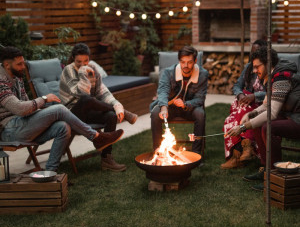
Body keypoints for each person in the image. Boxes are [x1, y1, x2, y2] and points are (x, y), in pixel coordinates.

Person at [0, 46, 123, 172]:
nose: (23, 67)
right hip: (10, 130)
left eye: (23, 63)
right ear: (7, 65)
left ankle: (50, 173)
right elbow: (19, 108)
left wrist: (42, 114)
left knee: (63, 127)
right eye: (19, 64)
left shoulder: (17, 77)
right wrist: (44, 99)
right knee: (59, 109)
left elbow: (26, 104)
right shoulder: (1, 81)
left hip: (24, 124)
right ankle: (97, 137)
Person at [227, 46, 300, 191]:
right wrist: (250, 115)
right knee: (258, 123)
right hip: (289, 115)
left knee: (268, 127)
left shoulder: (281, 77)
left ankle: (274, 176)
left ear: (268, 62)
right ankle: (266, 170)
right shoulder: (271, 77)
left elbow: (272, 113)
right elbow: (266, 105)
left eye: (257, 67)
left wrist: (242, 127)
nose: (254, 71)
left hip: (297, 118)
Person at [60, 43, 138, 172]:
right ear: (73, 59)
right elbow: (80, 93)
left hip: (88, 112)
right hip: (72, 114)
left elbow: (103, 92)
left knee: (111, 116)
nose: (83, 64)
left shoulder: (93, 69)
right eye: (79, 61)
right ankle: (125, 113)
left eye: (86, 61)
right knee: (87, 99)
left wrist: (116, 105)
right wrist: (83, 73)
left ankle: (107, 158)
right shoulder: (68, 70)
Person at [150, 46, 208, 154]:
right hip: (170, 107)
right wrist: (163, 107)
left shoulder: (202, 74)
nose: (185, 66)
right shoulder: (168, 72)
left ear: (195, 61)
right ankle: (158, 151)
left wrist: (185, 104)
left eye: (189, 62)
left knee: (200, 114)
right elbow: (163, 91)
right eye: (182, 62)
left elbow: (200, 99)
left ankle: (197, 153)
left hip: (189, 108)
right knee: (155, 114)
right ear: (179, 61)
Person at [221, 40, 267, 169]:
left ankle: (240, 153)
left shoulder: (270, 69)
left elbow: (271, 94)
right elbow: (237, 86)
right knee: (230, 120)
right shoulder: (248, 67)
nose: (253, 55)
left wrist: (254, 96)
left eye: (256, 52)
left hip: (260, 105)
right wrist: (240, 95)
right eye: (252, 52)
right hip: (246, 102)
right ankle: (242, 151)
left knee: (232, 119)